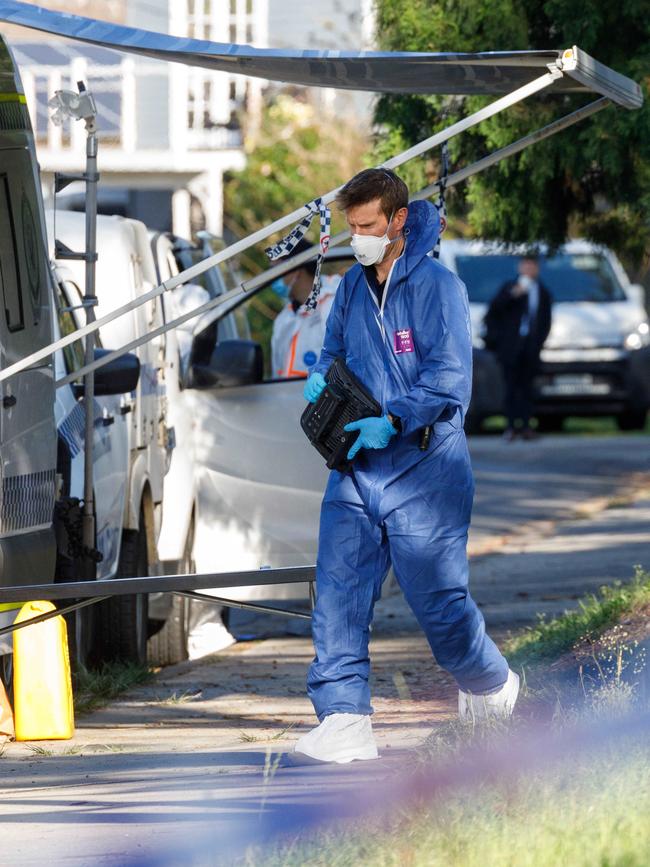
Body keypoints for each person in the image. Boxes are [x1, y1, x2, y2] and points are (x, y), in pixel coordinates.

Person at [293, 168, 519, 765]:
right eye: (351, 226)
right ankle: (344, 720)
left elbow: (450, 379)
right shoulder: (350, 290)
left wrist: (393, 419)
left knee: (439, 606)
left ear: (397, 222)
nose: (358, 237)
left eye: (368, 226)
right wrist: (323, 377)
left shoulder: (438, 287)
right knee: (338, 595)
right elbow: (337, 353)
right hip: (356, 467)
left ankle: (491, 683)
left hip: (425, 471)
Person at [484, 255, 552, 441]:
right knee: (511, 387)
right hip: (510, 348)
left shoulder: (542, 291)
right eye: (526, 265)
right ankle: (511, 426)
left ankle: (527, 425)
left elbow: (544, 321)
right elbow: (494, 311)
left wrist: (538, 342)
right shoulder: (509, 288)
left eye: (533, 265)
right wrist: (514, 294)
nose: (529, 269)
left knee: (527, 388)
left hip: (531, 348)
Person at [271, 238, 340, 379]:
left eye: (276, 270)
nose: (272, 278)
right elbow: (277, 373)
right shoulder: (284, 318)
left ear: (296, 270)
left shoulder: (335, 305)